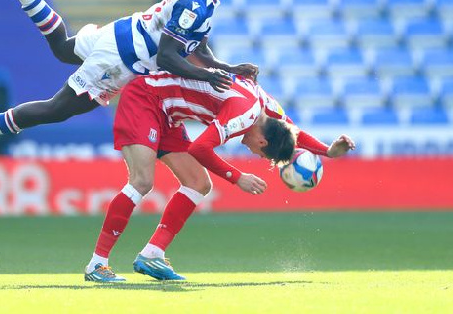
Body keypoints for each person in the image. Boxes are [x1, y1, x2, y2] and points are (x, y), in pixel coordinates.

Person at [0, 0, 259, 161]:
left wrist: (229, 69)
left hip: (123, 33)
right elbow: (167, 56)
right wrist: (208, 77)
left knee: (62, 48)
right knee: (57, 109)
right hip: (122, 58)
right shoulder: (195, 3)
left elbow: (197, 49)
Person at [84, 72, 356, 282]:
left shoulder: (266, 109)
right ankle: (98, 263)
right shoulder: (242, 115)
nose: (256, 156)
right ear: (262, 143)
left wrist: (328, 152)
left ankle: (152, 255)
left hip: (167, 112)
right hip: (146, 98)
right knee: (142, 182)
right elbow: (199, 148)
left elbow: (293, 130)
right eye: (264, 156)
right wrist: (238, 177)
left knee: (198, 184)